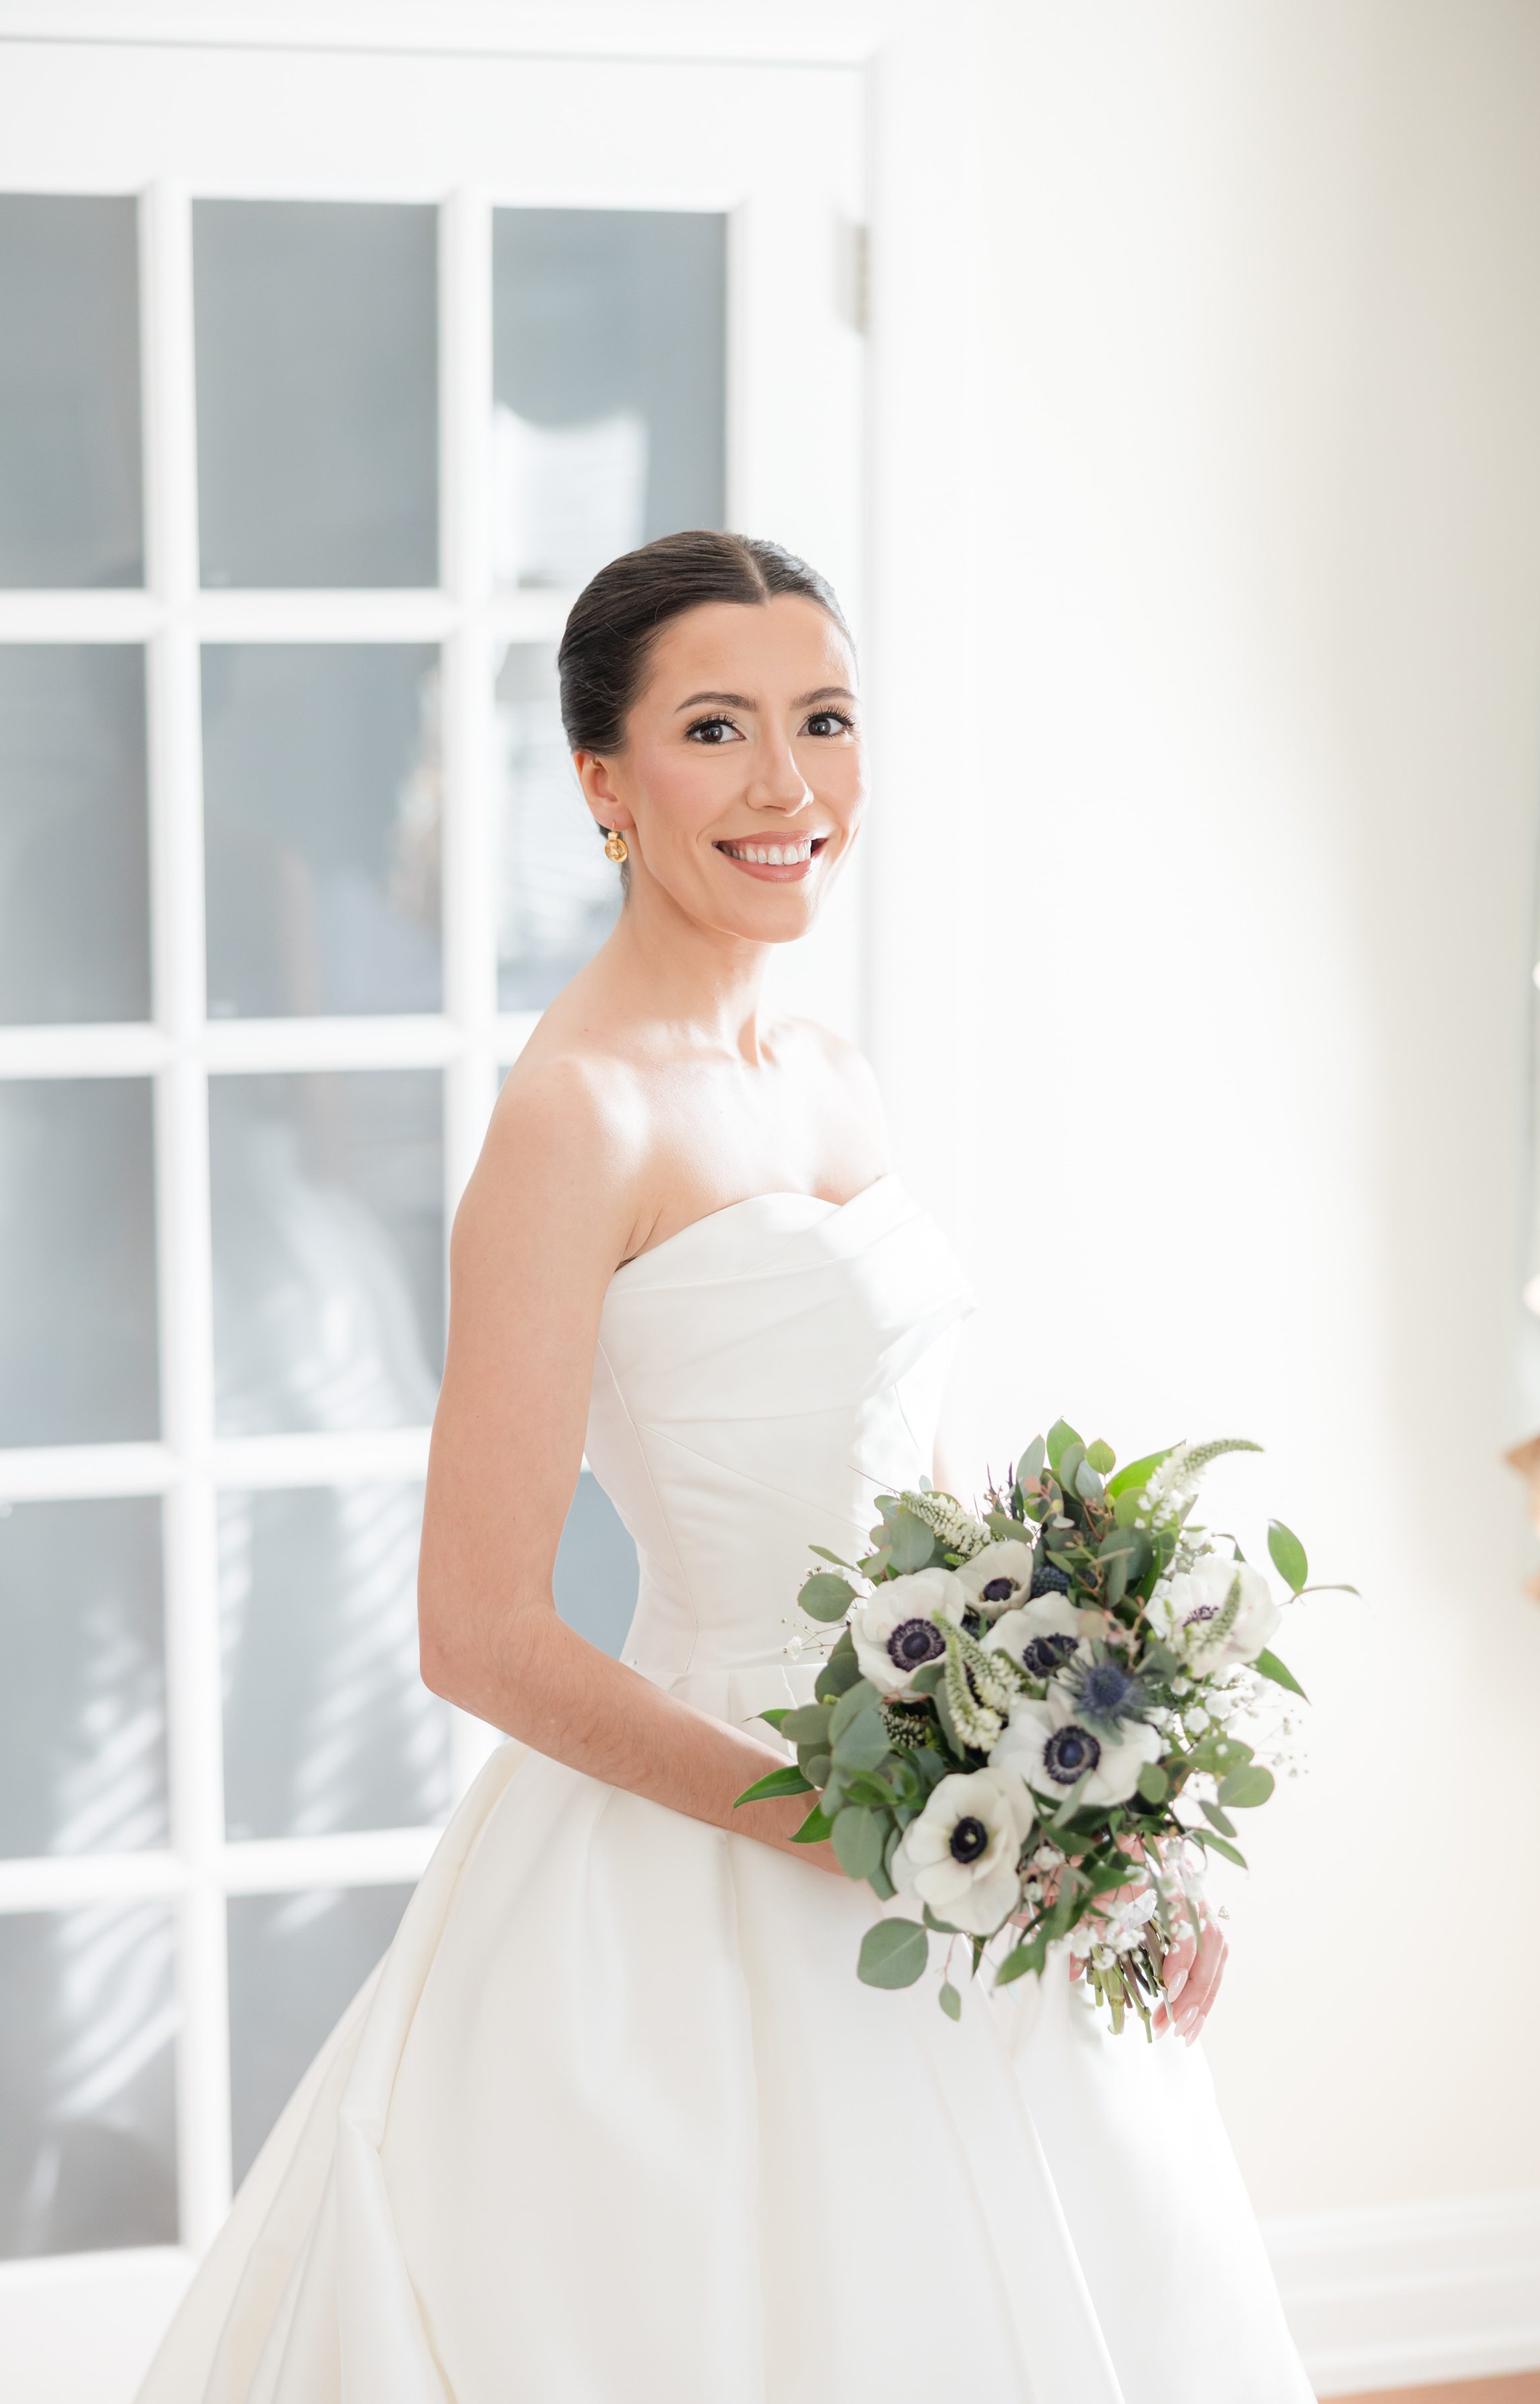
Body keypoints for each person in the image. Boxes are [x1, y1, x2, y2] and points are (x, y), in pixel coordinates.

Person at [137, 532, 1314, 2403]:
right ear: (603, 782)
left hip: (963, 1829)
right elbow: (477, 1632)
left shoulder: (833, 1071)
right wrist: (867, 1836)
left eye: (825, 722)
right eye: (716, 728)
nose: (788, 787)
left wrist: (1111, 1824)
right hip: (716, 1860)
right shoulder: (570, 1118)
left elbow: (941, 1507)